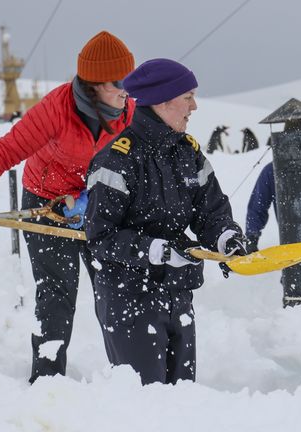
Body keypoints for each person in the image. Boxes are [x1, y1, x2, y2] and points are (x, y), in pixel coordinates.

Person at [0, 31, 136, 383]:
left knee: (116, 286)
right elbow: (4, 152)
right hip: (46, 203)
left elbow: (136, 170)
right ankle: (47, 382)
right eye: (118, 81)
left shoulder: (130, 115)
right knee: (57, 294)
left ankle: (130, 378)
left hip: (99, 206)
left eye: (130, 81)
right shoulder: (56, 110)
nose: (126, 89)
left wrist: (92, 200)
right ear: (93, 85)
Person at [84, 58, 249, 385]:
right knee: (146, 407)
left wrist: (226, 237)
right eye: (187, 96)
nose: (194, 106)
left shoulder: (188, 152)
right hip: (129, 298)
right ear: (162, 101)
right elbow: (100, 237)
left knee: (180, 404)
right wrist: (155, 250)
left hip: (178, 293)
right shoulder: (117, 159)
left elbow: (211, 211)